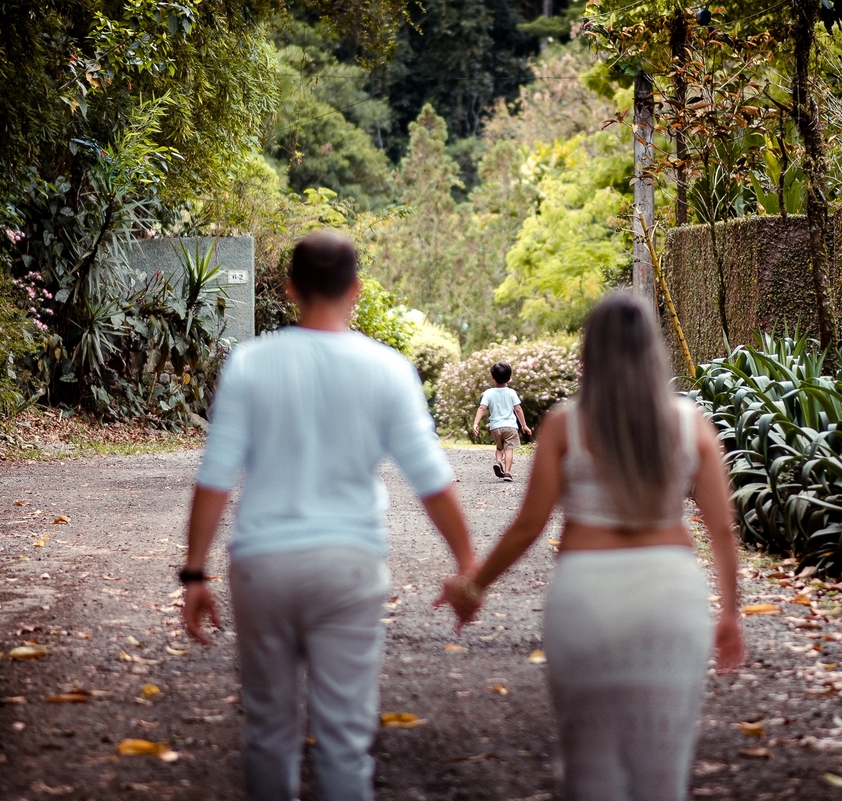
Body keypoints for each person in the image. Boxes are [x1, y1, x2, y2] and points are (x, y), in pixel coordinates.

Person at [181, 230, 476, 801]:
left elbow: (215, 476)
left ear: (290, 288)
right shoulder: (387, 368)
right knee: (344, 736)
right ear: (356, 289)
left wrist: (194, 572)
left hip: (262, 563)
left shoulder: (250, 362)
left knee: (268, 730)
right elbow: (432, 481)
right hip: (350, 562)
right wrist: (468, 565)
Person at [439, 291, 744, 801]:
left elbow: (528, 526)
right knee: (663, 775)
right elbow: (722, 529)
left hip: (585, 595)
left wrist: (474, 585)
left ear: (592, 350)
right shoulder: (690, 423)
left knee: (588, 769)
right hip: (672, 596)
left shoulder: (567, 422)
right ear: (653, 349)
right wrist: (730, 612)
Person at [471, 362, 532, 482]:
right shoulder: (511, 392)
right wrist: (524, 425)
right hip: (510, 427)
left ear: (492, 377)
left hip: (495, 427)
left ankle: (498, 462)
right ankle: (507, 472)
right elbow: (518, 409)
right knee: (509, 449)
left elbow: (482, 408)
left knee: (499, 448)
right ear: (509, 378)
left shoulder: (488, 393)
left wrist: (475, 423)